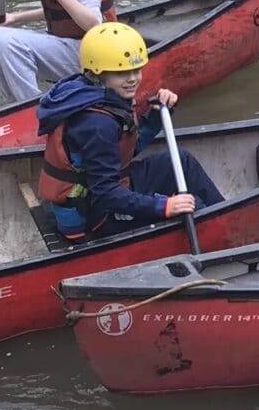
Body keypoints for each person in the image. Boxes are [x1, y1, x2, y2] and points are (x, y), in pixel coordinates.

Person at [33, 21, 226, 243]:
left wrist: (155, 117)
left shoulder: (93, 93)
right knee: (195, 210)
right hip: (94, 216)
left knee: (181, 161)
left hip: (100, 193)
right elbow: (106, 195)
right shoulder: (97, 125)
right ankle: (223, 235)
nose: (132, 78)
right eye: (122, 73)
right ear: (98, 72)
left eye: (136, 70)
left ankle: (228, 216)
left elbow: (123, 152)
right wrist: (164, 206)